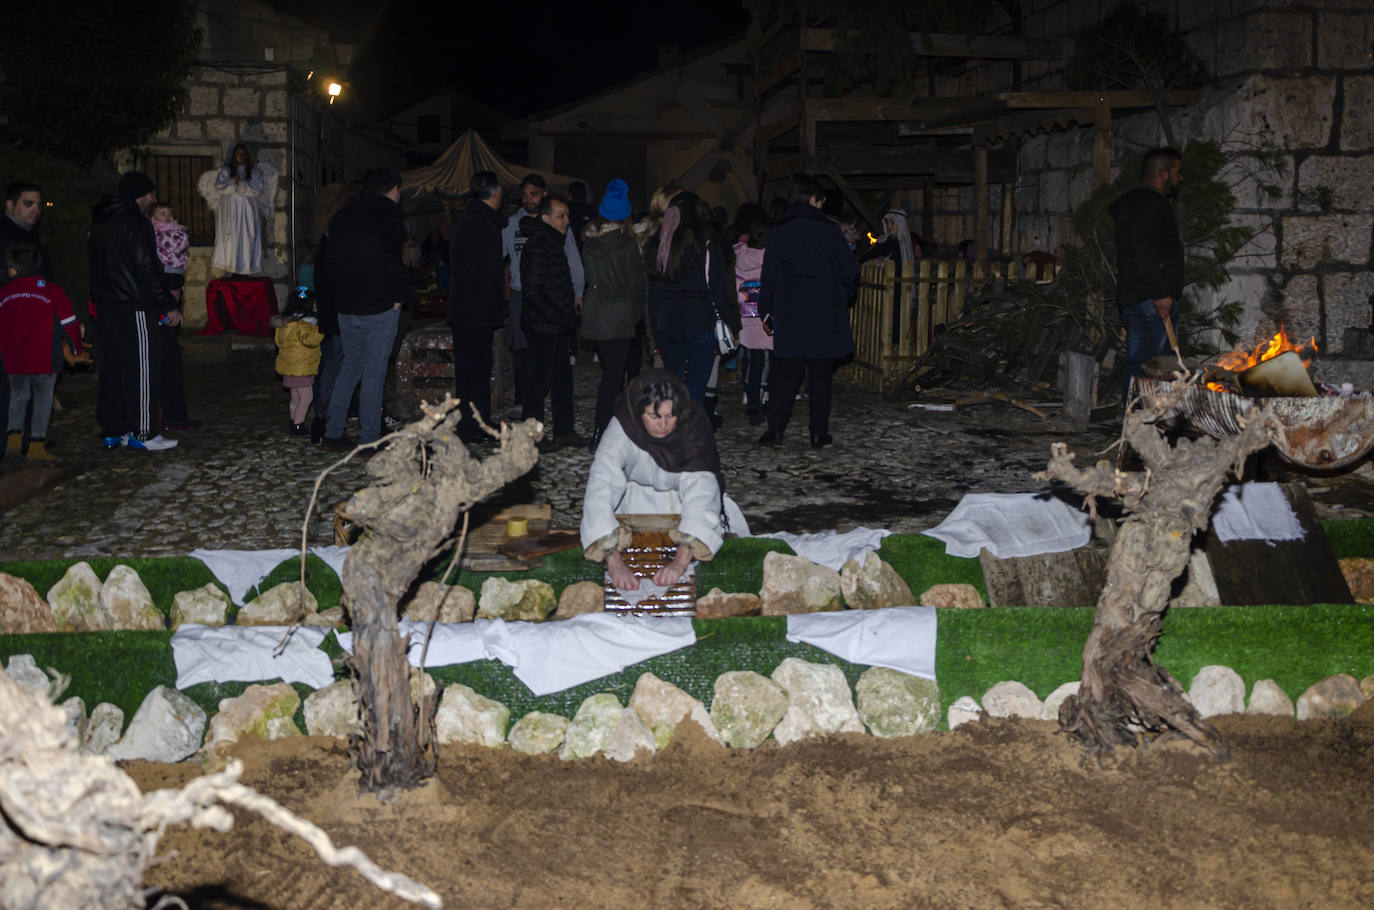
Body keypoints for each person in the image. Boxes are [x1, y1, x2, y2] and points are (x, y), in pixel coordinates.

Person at [580, 369, 749, 591]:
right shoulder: (622, 426)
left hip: (684, 502)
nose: (663, 425)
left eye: (670, 416)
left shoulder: (692, 425)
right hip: (633, 504)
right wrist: (614, 562)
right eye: (654, 416)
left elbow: (702, 489)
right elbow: (602, 483)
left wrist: (680, 561)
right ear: (639, 412)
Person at [757, 174, 859, 449]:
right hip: (824, 312)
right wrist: (842, 297)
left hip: (789, 312)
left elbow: (769, 275)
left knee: (785, 376)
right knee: (821, 377)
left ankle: (776, 429)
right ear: (814, 199)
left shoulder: (778, 231)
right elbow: (849, 271)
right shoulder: (829, 230)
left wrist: (766, 310)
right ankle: (818, 432)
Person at [89, 170, 181, 451]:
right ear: (141, 195)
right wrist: (166, 303)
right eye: (151, 193)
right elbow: (146, 267)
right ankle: (143, 432)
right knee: (142, 367)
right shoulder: (136, 222)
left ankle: (114, 429)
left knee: (114, 367)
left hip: (107, 306)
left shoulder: (101, 221)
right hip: (134, 305)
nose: (153, 199)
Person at [319, 169, 406, 451]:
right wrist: (398, 297)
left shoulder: (343, 216)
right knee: (374, 373)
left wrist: (343, 293)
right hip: (379, 306)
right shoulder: (389, 216)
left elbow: (330, 262)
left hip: (347, 306)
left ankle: (333, 432)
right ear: (394, 190)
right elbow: (393, 261)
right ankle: (369, 438)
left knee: (350, 367)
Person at [644, 191, 738, 405]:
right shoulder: (706, 245)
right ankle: (693, 423)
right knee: (697, 384)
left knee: (674, 384)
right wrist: (732, 323)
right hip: (699, 318)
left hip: (669, 320)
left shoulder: (659, 245)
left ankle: (677, 422)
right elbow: (720, 290)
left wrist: (656, 332)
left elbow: (654, 295)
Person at [1111, 147, 1184, 405]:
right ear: (1162, 173)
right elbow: (1142, 251)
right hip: (1149, 301)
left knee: (1154, 367)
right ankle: (1136, 420)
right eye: (1177, 172)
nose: (1180, 178)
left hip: (1146, 298)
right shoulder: (1147, 204)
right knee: (1146, 367)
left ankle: (1146, 420)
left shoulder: (1140, 204)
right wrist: (1160, 293)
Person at [502, 174, 585, 405]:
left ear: (544, 194)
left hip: (552, 293)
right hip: (521, 292)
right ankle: (523, 399)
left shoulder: (558, 221)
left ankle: (547, 398)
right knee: (521, 349)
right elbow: (497, 254)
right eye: (524, 195)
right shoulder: (512, 223)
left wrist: (578, 291)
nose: (528, 199)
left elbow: (573, 259)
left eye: (534, 194)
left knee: (553, 350)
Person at [581, 178, 648, 453]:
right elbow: (635, 285)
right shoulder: (626, 244)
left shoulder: (589, 241)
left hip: (596, 314)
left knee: (611, 374)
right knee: (613, 377)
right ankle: (602, 430)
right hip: (619, 316)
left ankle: (611, 428)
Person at [0, 246, 83, 460]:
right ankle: (36, 445)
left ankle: (13, 442)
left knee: (18, 396)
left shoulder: (4, 292)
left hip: (14, 360)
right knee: (43, 399)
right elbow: (69, 321)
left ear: (14, 269)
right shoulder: (51, 290)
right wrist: (76, 347)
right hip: (44, 357)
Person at [519, 194, 584, 452]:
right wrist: (555, 315)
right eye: (561, 216)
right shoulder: (538, 245)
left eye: (567, 216)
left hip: (557, 325)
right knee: (538, 383)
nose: (566, 221)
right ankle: (532, 437)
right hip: (543, 325)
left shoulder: (554, 242)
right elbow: (532, 291)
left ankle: (564, 431)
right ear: (546, 218)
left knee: (562, 380)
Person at [447, 170, 506, 443]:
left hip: (470, 308)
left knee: (477, 368)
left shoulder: (472, 219)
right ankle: (470, 424)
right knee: (473, 369)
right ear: (496, 194)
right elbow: (481, 269)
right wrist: (492, 297)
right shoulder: (478, 222)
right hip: (474, 309)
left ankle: (477, 420)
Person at [1, 182, 52, 443]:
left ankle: (30, 437)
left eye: (38, 204)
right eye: (28, 203)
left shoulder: (28, 233)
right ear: (10, 205)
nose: (36, 209)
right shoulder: (6, 235)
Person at [148, 202, 197, 432]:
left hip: (171, 296)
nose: (167, 218)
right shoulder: (152, 238)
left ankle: (174, 415)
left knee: (171, 361)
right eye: (162, 214)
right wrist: (167, 303)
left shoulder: (176, 234)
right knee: (164, 362)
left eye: (170, 214)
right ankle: (163, 417)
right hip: (161, 304)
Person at [733, 215, 772, 426]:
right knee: (770, 360)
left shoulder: (739, 255)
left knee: (754, 361)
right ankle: (767, 398)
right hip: (767, 315)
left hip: (746, 315)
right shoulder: (772, 258)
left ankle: (753, 404)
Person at [272, 295, 324, 436]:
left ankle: (293, 420)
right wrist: (321, 329)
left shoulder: (286, 324)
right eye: (314, 305)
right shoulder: (304, 325)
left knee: (295, 396)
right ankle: (298, 425)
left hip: (289, 367)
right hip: (301, 368)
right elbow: (311, 340)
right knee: (306, 397)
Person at [212, 143, 264, 275]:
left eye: (243, 154)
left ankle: (245, 269)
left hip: (247, 212)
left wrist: (240, 184)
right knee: (232, 239)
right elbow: (219, 187)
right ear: (234, 156)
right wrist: (233, 184)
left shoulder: (254, 172)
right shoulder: (226, 171)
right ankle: (233, 269)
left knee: (247, 239)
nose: (241, 156)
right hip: (231, 212)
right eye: (238, 154)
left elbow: (256, 190)